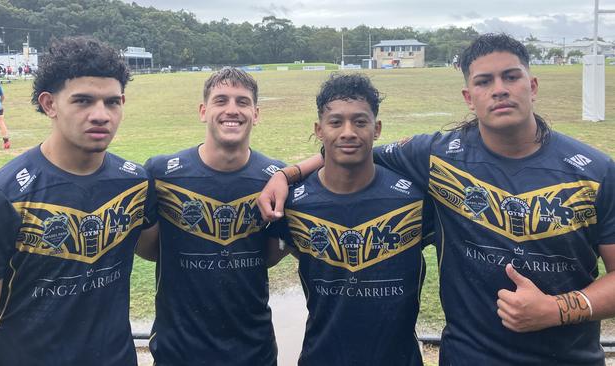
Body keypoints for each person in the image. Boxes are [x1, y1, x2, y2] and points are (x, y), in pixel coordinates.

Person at [258, 33, 615, 365]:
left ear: (533, 85)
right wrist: (286, 174)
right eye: (484, 81)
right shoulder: (437, 156)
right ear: (468, 96)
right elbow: (352, 149)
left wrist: (559, 308)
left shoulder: (594, 171)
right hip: (467, 357)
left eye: (511, 77)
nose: (500, 90)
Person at [0, 36, 157, 366]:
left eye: (112, 102)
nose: (101, 115)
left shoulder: (135, 183)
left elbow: (159, 250)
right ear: (50, 104)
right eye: (83, 101)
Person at [279, 73, 429, 365]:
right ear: (319, 130)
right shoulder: (293, 204)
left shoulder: (414, 199)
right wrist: (286, 175)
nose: (348, 132)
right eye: (336, 122)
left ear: (378, 129)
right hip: (321, 357)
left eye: (360, 122)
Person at [138, 67, 284, 365]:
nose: (232, 110)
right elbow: (149, 250)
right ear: (203, 111)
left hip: (253, 351)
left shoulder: (274, 180)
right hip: (178, 351)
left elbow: (271, 254)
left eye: (242, 102)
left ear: (256, 114)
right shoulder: (161, 174)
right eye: (221, 100)